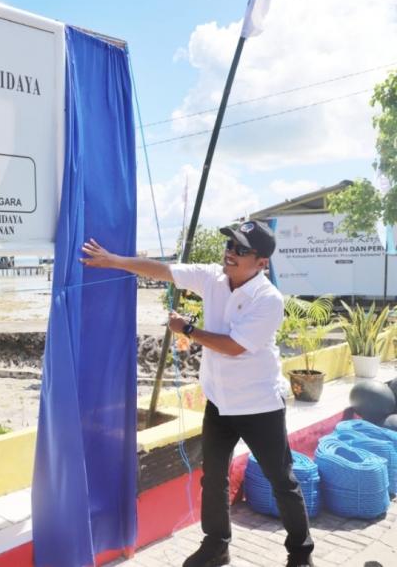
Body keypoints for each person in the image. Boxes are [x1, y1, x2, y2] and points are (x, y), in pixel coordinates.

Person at [80, 220, 314, 567]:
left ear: (262, 262)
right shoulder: (212, 277)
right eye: (229, 246)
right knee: (213, 477)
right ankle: (216, 545)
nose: (230, 253)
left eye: (240, 250)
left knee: (281, 480)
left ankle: (300, 554)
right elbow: (163, 270)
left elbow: (234, 346)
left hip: (259, 405)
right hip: (220, 402)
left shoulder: (268, 299)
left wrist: (187, 328)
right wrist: (114, 260)